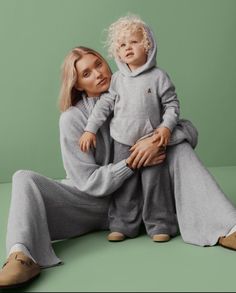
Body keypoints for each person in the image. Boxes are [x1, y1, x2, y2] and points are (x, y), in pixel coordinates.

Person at [0, 46, 236, 289]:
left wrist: (153, 142)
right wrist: (132, 163)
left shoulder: (134, 92)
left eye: (98, 64)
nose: (98, 74)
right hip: (93, 202)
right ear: (77, 84)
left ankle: (228, 227)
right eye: (86, 73)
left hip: (144, 195)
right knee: (23, 178)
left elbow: (189, 130)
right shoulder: (72, 119)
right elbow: (88, 181)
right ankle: (22, 256)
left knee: (179, 147)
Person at [79, 15, 180, 242]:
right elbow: (104, 107)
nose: (128, 48)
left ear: (147, 45)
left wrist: (165, 127)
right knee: (125, 186)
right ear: (116, 51)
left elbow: (172, 105)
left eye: (134, 42)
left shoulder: (159, 77)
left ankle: (160, 224)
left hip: (151, 142)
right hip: (122, 141)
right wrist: (90, 129)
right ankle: (123, 224)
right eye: (122, 44)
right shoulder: (117, 80)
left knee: (155, 184)